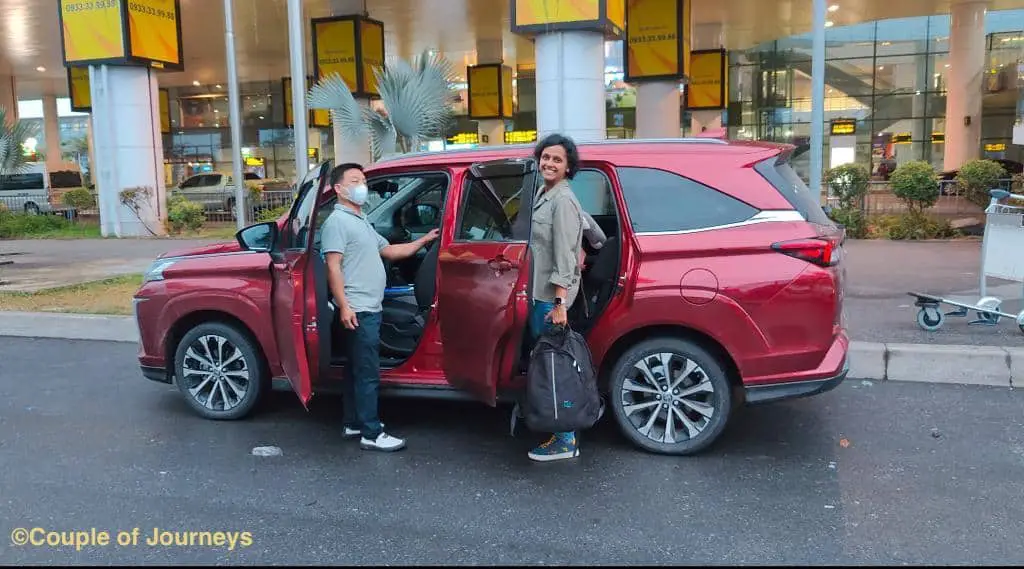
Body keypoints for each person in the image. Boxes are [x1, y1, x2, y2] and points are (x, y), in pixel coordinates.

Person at [321, 163, 440, 452]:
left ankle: (353, 422)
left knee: (354, 369)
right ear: (339, 188)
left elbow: (389, 251)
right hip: (358, 309)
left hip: (367, 306)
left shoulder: (360, 220)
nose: (362, 185)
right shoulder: (337, 223)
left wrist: (424, 240)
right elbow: (333, 267)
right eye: (354, 180)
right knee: (368, 372)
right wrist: (345, 306)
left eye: (363, 180)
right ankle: (371, 433)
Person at [525, 133, 588, 463]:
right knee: (546, 359)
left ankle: (565, 438)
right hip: (538, 292)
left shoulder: (562, 200)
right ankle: (555, 425)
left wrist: (561, 303)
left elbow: (564, 255)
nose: (549, 163)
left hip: (551, 298)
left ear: (568, 167)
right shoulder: (544, 192)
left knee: (554, 365)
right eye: (545, 157)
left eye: (557, 160)